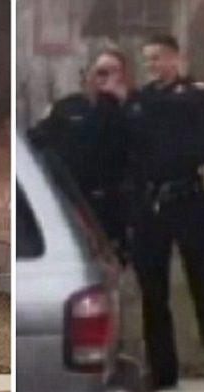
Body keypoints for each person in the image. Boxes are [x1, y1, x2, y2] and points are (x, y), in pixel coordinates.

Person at [126, 34, 204, 392]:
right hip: (153, 206)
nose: (152, 66)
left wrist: (140, 103)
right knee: (153, 292)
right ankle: (163, 371)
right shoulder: (143, 99)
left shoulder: (197, 94)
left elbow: (184, 121)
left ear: (177, 58)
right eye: (147, 60)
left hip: (192, 204)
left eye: (158, 58)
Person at [28, 48, 131, 260]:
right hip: (73, 201)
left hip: (112, 203)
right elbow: (39, 139)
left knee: (112, 265)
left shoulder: (131, 109)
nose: (107, 78)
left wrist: (114, 102)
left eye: (114, 72)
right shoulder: (66, 107)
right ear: (87, 74)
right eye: (102, 72)